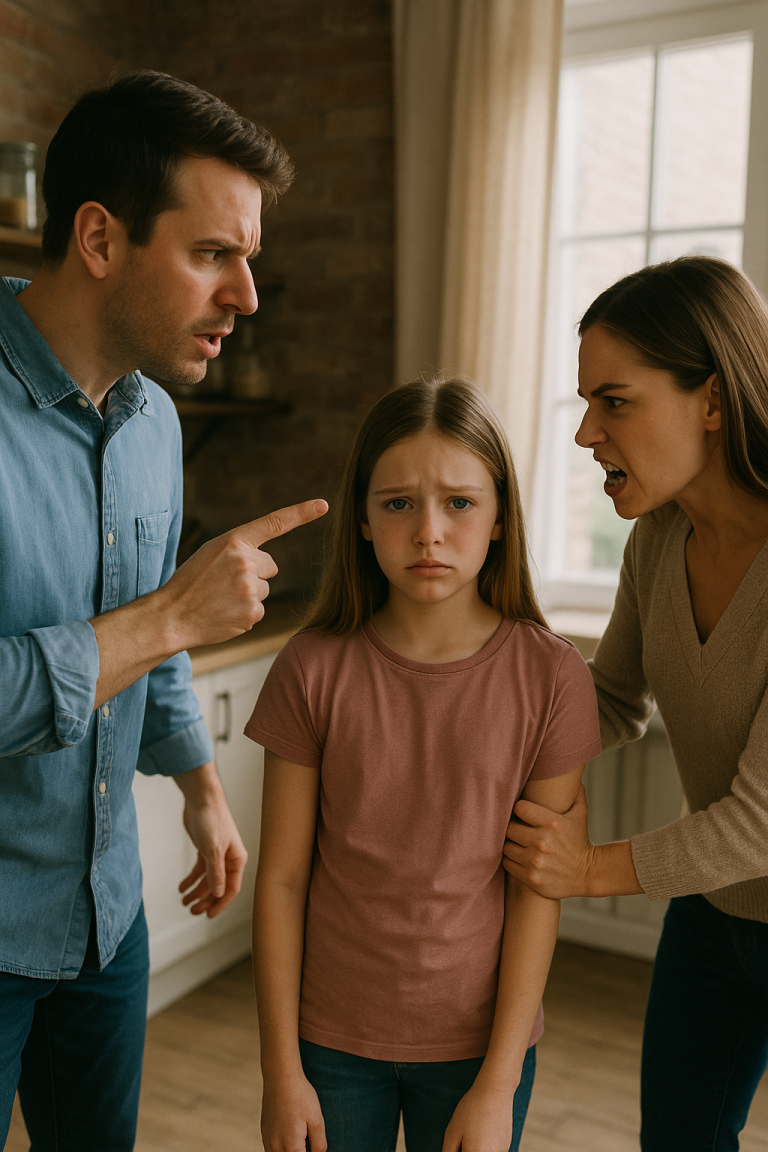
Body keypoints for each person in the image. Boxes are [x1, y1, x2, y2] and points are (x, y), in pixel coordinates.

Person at [0, 70, 328, 1152]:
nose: (247, 295)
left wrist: (202, 791)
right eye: (213, 254)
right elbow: (164, 621)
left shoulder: (155, 425)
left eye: (249, 258)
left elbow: (157, 632)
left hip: (106, 912)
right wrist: (172, 618)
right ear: (99, 238)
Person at [247, 375, 601, 1152]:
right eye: (399, 503)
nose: (428, 532)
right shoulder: (311, 668)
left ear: (501, 517)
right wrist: (281, 1070)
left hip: (480, 1051)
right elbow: (281, 880)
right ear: (364, 520)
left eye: (460, 503)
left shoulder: (553, 677)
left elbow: (537, 887)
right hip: (328, 1043)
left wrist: (498, 1083)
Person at [503, 255, 768, 1151]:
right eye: (587, 402)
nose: (587, 433)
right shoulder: (659, 536)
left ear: (713, 399)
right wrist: (477, 718)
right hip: (715, 914)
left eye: (614, 402)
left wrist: (584, 869)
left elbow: (760, 823)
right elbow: (612, 698)